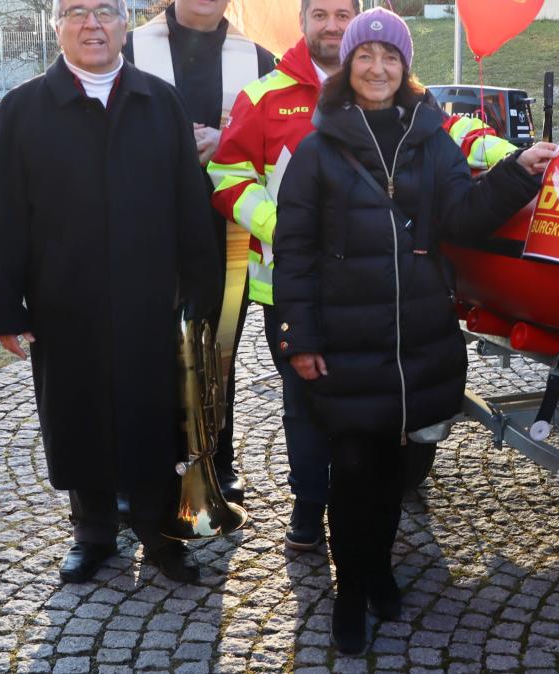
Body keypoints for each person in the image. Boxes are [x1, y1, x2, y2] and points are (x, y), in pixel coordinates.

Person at [273, 8, 558, 654]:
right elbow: (292, 253)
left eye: (391, 58)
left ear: (405, 69)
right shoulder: (317, 150)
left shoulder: (432, 140)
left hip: (415, 342)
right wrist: (300, 339)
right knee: (352, 469)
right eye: (365, 56)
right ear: (348, 66)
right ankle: (350, 592)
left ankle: (377, 569)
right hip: (346, 345)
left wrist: (518, 172)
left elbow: (463, 215)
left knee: (397, 471)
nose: (378, 68)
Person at [0, 0, 223, 584]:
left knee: (152, 416)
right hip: (65, 300)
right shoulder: (23, 109)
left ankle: (161, 533)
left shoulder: (160, 101)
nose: (92, 24)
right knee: (78, 416)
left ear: (125, 24)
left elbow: (190, 206)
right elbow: (7, 213)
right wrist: (5, 308)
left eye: (106, 12)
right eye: (77, 11)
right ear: (57, 26)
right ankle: (92, 532)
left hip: (150, 300)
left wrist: (201, 292)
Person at [208, 0, 358, 551]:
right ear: (302, 22)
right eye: (320, 14)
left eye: (343, 14)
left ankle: (355, 504)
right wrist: (281, 227)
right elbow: (225, 174)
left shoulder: (386, 85)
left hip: (367, 287)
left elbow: (449, 131)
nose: (332, 26)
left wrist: (511, 154)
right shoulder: (263, 96)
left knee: (363, 397)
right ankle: (308, 506)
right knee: (305, 405)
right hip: (289, 288)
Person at [126, 0, 277, 505]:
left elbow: (271, 146)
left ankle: (216, 459)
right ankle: (143, 467)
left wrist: (227, 140)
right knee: (144, 345)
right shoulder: (129, 49)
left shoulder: (258, 59)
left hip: (223, 228)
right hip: (148, 226)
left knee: (219, 347)